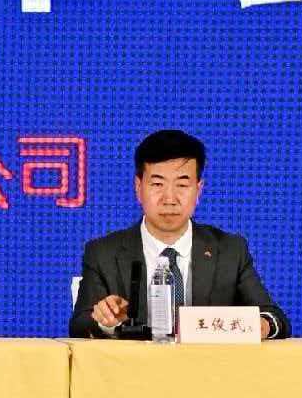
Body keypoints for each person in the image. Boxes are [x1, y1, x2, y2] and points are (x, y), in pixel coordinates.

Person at [72, 128, 287, 339]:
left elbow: (274, 317)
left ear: (198, 190)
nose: (170, 198)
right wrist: (107, 322)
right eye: (157, 184)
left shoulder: (230, 251)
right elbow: (80, 324)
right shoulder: (103, 253)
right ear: (138, 187)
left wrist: (260, 326)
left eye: (182, 185)